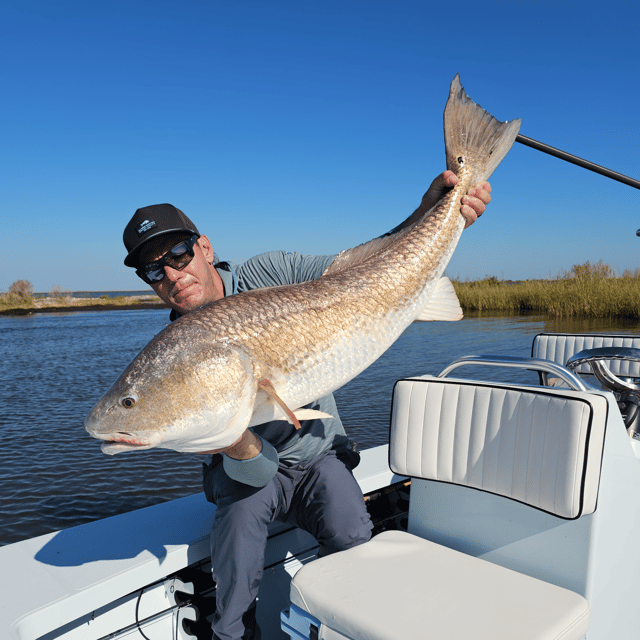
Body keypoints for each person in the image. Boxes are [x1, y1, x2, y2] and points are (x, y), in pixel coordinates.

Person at [122, 171, 491, 640]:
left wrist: (433, 212)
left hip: (315, 456)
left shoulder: (267, 274)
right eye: (155, 269)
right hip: (247, 473)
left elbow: (356, 266)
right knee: (234, 560)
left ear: (205, 248)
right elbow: (252, 471)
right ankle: (233, 633)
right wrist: (223, 437)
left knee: (352, 531)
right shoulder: (172, 353)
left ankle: (345, 625)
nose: (173, 273)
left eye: (178, 254)